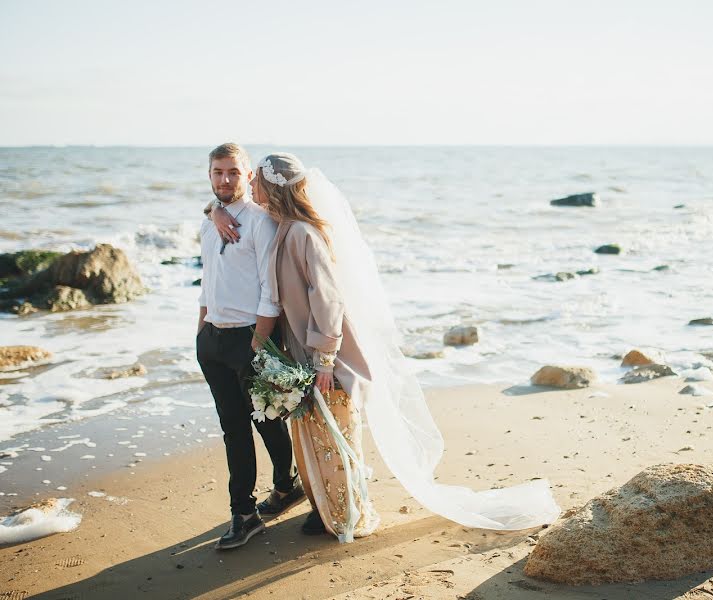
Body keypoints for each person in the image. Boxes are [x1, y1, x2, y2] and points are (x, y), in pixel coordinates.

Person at [213, 152, 560, 543]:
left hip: (329, 356)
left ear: (273, 187)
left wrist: (325, 359)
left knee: (335, 435)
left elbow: (328, 299)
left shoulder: (302, 234)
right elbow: (227, 204)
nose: (251, 186)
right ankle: (325, 508)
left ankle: (349, 514)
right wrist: (214, 211)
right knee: (314, 436)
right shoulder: (279, 227)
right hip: (300, 354)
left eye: (256, 180)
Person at [197, 143, 305, 550]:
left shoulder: (262, 222)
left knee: (266, 421)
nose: (225, 180)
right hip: (212, 339)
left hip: (250, 337)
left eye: (233, 173)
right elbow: (208, 278)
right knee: (234, 429)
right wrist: (201, 329)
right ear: (209, 175)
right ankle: (245, 513)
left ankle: (283, 485)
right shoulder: (210, 220)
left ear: (248, 176)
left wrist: (258, 344)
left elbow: (270, 291)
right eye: (217, 172)